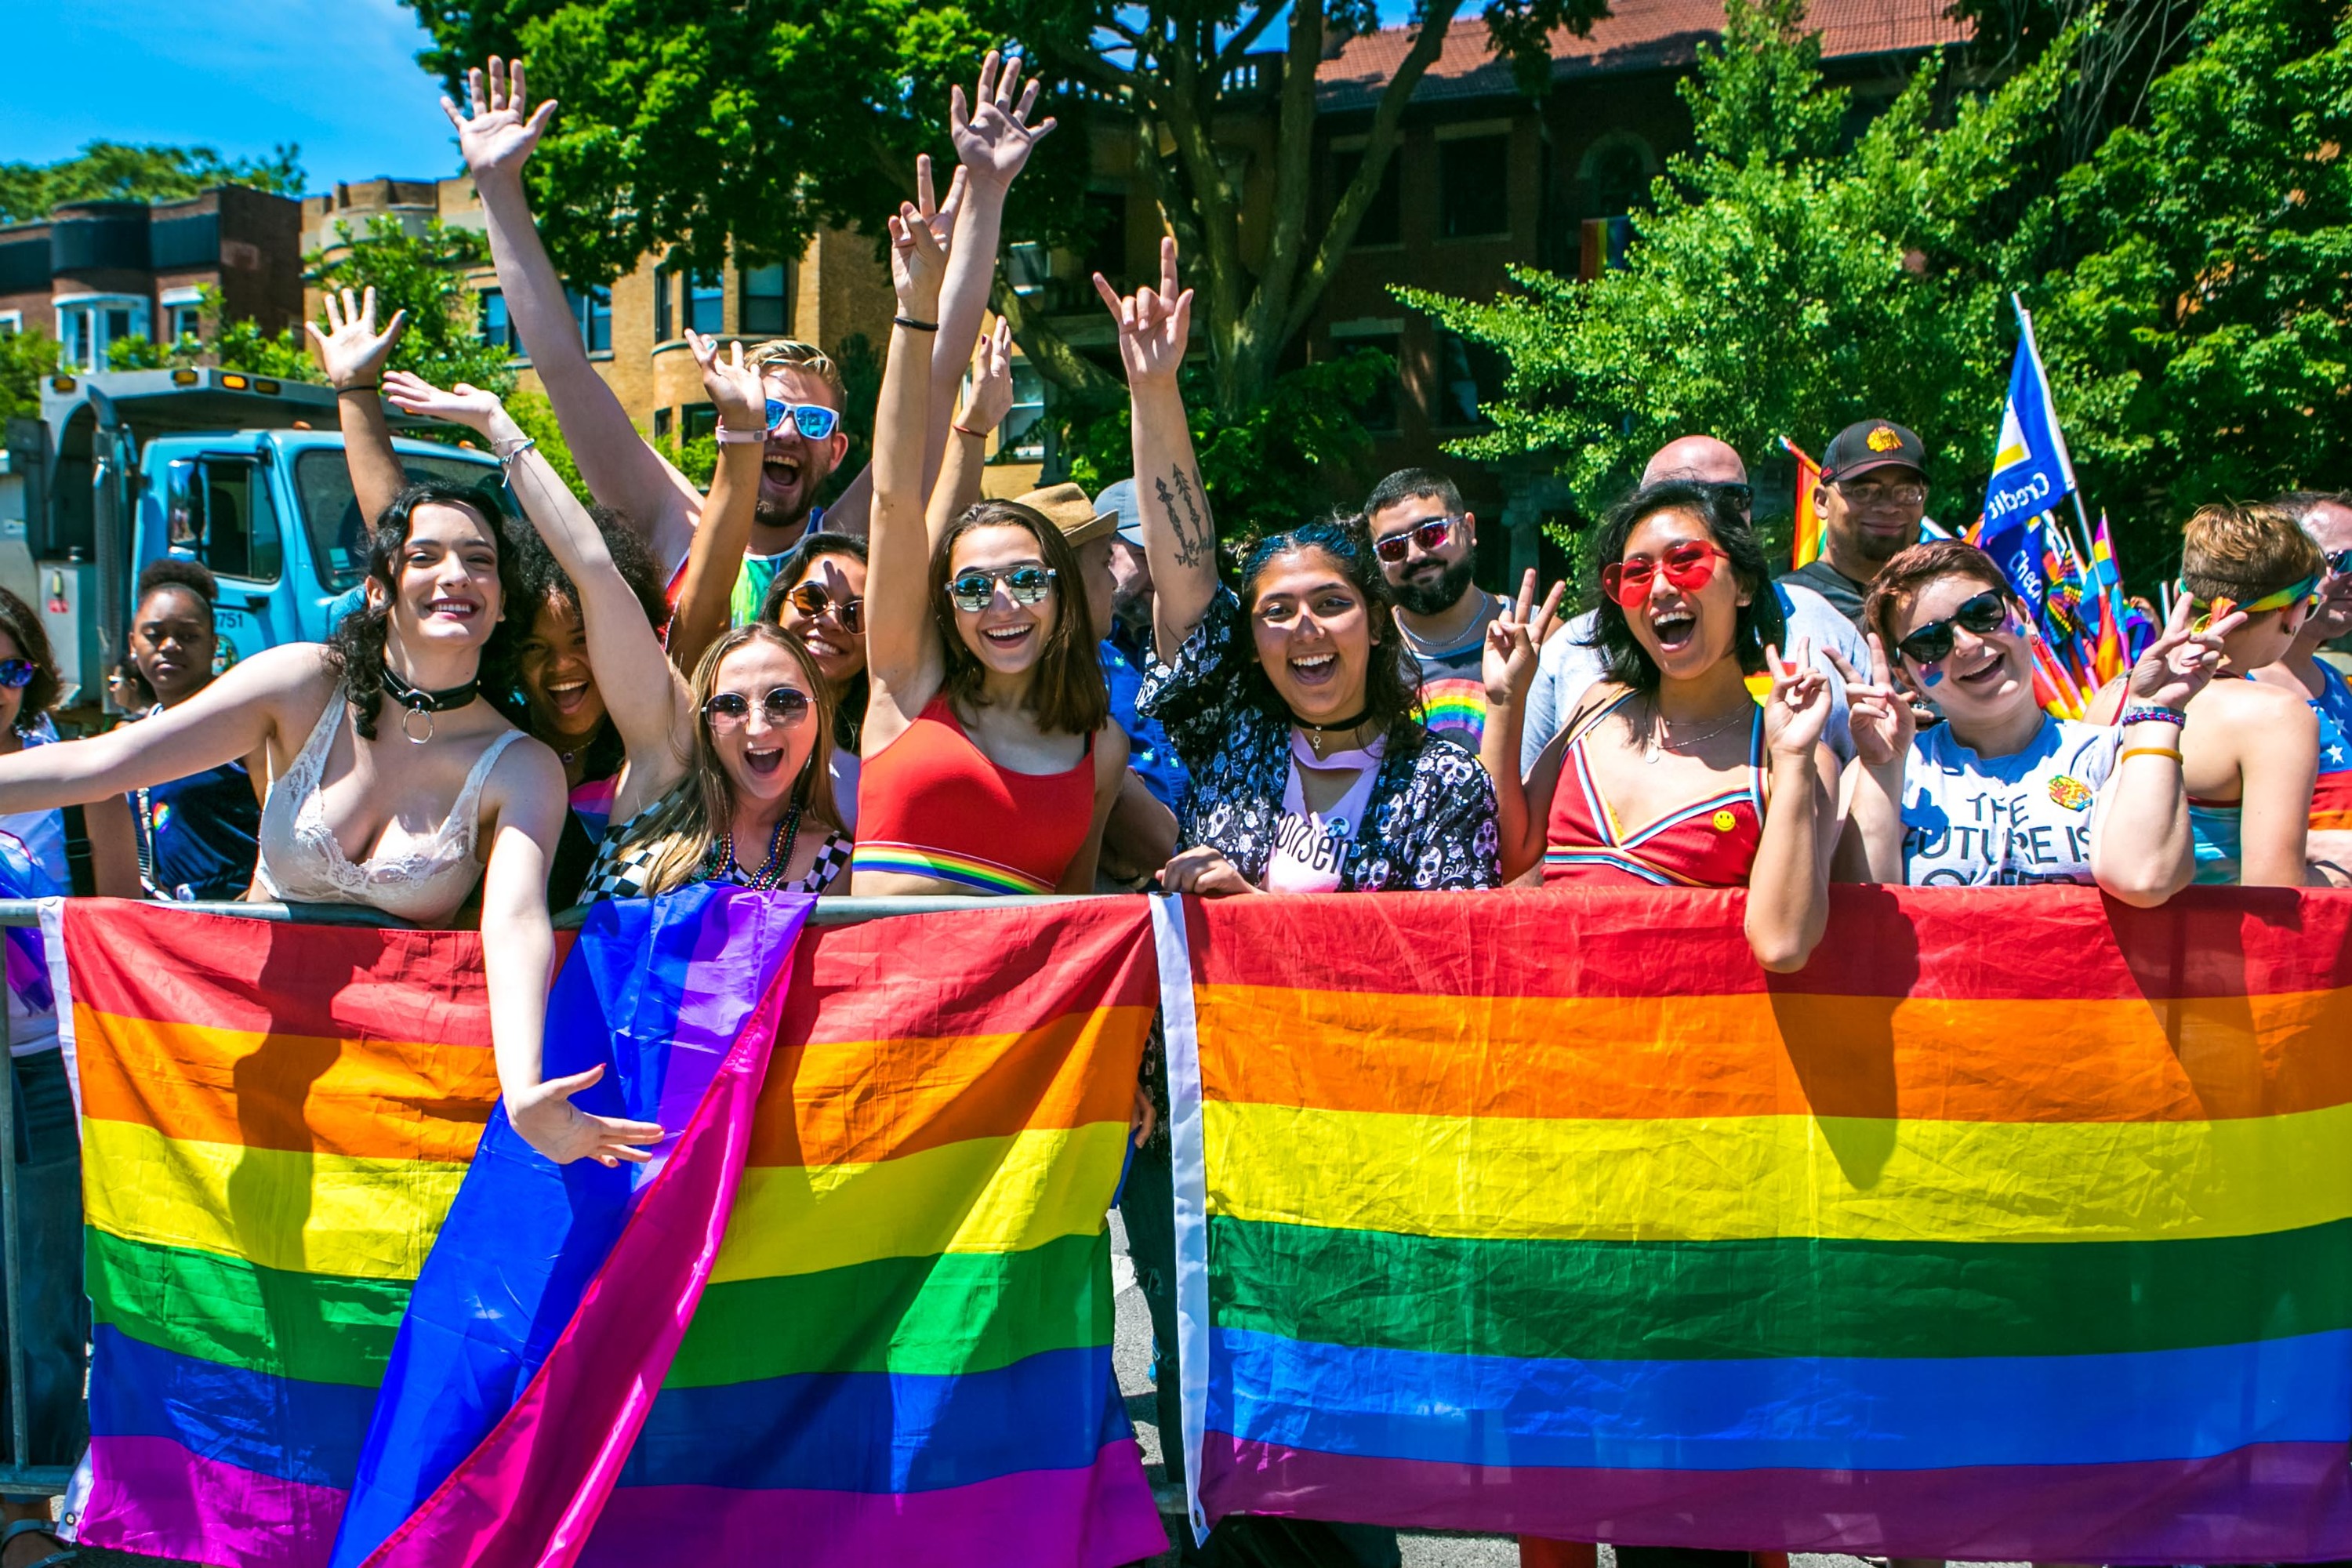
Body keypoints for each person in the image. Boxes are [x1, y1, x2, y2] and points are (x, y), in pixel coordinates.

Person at [0, 482, 659, 1171]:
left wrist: (524, 1085)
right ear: (379, 589)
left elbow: (515, 920)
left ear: (498, 605)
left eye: (479, 559)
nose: (456, 574)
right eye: (425, 555)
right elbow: (108, 762)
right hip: (241, 1060)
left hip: (394, 1094)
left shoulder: (522, 767)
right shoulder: (300, 686)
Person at [441, 49, 1045, 599]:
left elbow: (939, 379)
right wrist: (498, 188)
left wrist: (987, 192)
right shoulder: (670, 522)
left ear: (836, 451)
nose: (785, 432)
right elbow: (565, 370)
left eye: (810, 421)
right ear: (730, 416)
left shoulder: (848, 543)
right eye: (770, 409)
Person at [1108, 238, 1498, 897]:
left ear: (1376, 622)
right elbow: (1188, 569)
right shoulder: (1234, 740)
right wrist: (1153, 390)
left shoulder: (1446, 784)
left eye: (1331, 603)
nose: (1305, 627)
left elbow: (1440, 974)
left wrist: (1253, 911)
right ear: (1253, 646)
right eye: (1277, 612)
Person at [386, 357, 852, 902]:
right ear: (698, 714)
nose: (757, 722)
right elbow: (591, 568)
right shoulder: (665, 773)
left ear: (818, 716)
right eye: (729, 705)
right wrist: (499, 427)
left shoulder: (832, 859)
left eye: (784, 702)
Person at [311, 285, 670, 906]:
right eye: (535, 645)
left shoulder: (656, 735)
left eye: (583, 640)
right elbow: (401, 537)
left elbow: (595, 569)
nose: (561, 667)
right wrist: (355, 392)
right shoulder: (487, 725)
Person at [853, 158, 1128, 898]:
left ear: (1061, 593)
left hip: (1020, 1018)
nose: (1002, 603)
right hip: (879, 1009)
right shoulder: (908, 683)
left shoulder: (1099, 750)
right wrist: (915, 314)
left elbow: (1077, 924)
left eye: (1026, 580)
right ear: (945, 604)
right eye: (973, 587)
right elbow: (892, 500)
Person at [1483, 481, 1838, 971]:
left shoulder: (1792, 759)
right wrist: (1504, 701)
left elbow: (1783, 947)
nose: (1661, 587)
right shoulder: (1597, 705)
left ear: (1744, 585)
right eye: (1637, 573)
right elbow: (1505, 855)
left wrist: (1796, 761)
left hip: (1680, 1038)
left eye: (1686, 561)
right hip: (1551, 1031)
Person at [1831, 540, 2228, 900]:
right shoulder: (1888, 771)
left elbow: (2146, 880)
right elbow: (1866, 920)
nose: (1968, 644)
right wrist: (1881, 769)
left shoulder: (2112, 757)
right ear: (1906, 675)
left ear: (2023, 614)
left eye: (1982, 613)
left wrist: (2158, 712)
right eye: (1931, 642)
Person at [0, 587, 138, 1565]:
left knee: (46, 1296)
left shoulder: (78, 774)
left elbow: (124, 910)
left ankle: (35, 1493)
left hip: (43, 1064)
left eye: (8, 669)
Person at [1521, 436, 1862, 771]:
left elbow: (1872, 793)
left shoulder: (1828, 629)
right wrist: (1504, 702)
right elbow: (1516, 814)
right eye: (1675, 499)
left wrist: (1878, 765)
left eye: (1728, 498)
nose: (1702, 514)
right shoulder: (1571, 651)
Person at [2087, 502, 2323, 886]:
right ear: (2292, 614)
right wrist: (2333, 879)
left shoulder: (2115, 693)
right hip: (2211, 944)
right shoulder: (2276, 717)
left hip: (2113, 940)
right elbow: (2274, 893)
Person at [1014, 480, 1183, 889]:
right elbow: (1159, 843)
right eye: (1104, 560)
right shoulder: (1035, 679)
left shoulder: (1109, 656)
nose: (1110, 581)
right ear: (1064, 578)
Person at [125, 558, 267, 902]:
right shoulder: (135, 732)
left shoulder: (239, 721)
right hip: (170, 920)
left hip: (241, 914)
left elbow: (284, 827)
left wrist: (255, 905)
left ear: (214, 644)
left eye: (188, 636)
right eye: (154, 635)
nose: (170, 646)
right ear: (133, 643)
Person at [1363, 468, 1506, 751]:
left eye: (1431, 533)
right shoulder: (1366, 652)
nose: (1415, 556)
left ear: (1468, 529)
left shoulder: (1536, 633)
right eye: (1392, 548)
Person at [2253, 490, 2352, 877]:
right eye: (2340, 561)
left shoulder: (2336, 682)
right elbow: (2201, 832)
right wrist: (2320, 845)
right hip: (2289, 925)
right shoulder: (2224, 690)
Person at [759, 531, 869, 829]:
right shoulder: (721, 716)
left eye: (855, 613)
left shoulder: (878, 762)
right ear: (780, 603)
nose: (829, 621)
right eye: (812, 599)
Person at [1780, 419, 1933, 628]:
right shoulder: (1783, 607)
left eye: (1907, 492)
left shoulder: (1939, 608)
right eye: (1864, 491)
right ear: (1822, 501)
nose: (1888, 507)